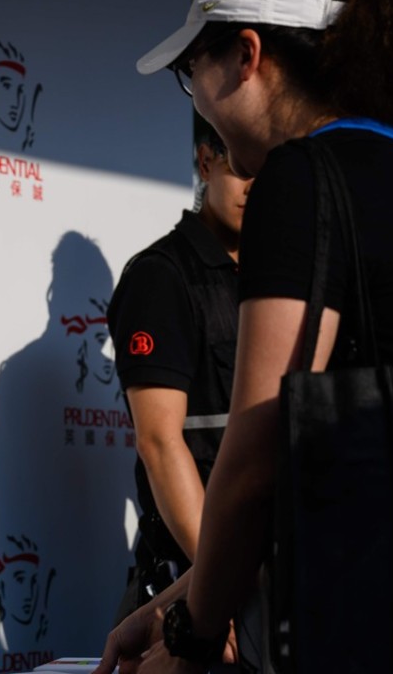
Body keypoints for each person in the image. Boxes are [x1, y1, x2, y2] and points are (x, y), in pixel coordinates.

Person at [95, 0, 393, 672]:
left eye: (191, 68)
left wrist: (191, 635)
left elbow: (262, 450)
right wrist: (181, 600)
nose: (195, 99)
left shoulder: (305, 174)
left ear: (247, 55)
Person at [107, 126, 251, 625]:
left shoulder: (277, 275)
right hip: (194, 593)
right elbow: (160, 444)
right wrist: (221, 592)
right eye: (239, 167)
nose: (254, 185)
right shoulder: (161, 275)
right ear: (206, 162)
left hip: (274, 581)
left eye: (267, 171)